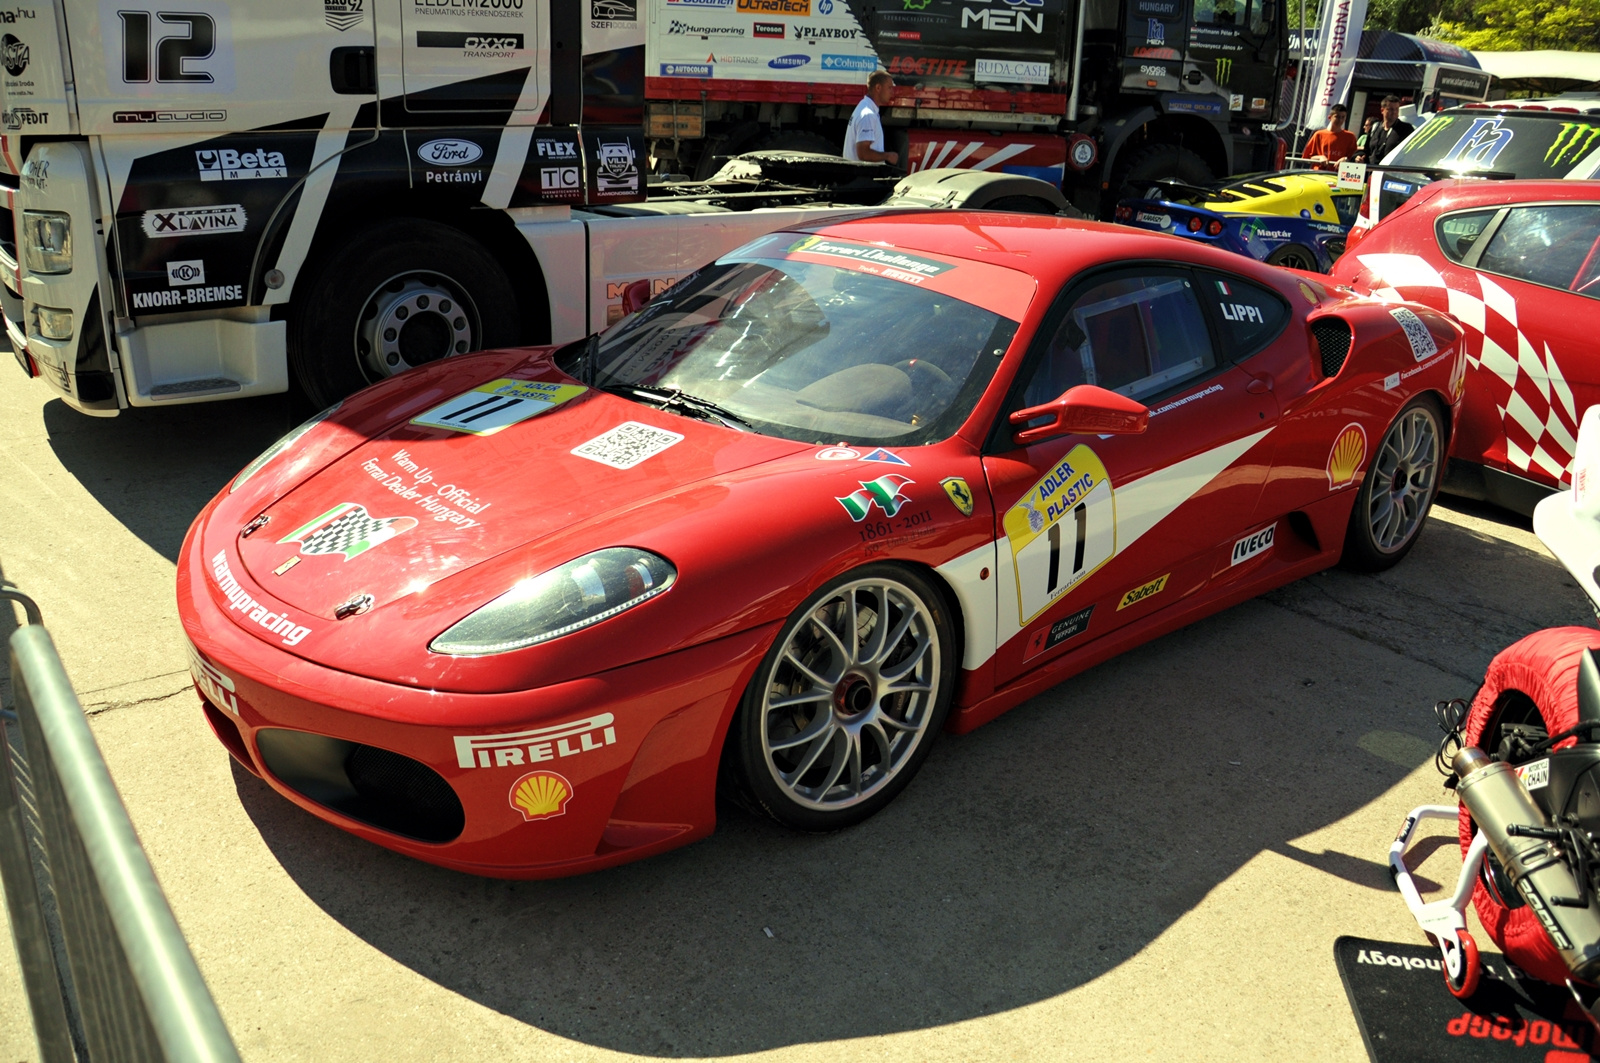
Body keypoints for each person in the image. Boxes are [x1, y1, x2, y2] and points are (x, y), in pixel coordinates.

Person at [844, 71, 898, 165]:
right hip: (862, 176)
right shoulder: (868, 115)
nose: (892, 92)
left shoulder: (865, 108)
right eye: (889, 88)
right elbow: (863, 154)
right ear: (878, 88)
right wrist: (888, 156)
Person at [1362, 95, 1415, 164]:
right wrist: (1359, 157)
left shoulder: (1406, 129)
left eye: (1397, 109)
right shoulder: (1375, 127)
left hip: (1391, 172)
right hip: (1372, 171)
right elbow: (1366, 150)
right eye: (1391, 109)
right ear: (1382, 110)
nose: (1394, 112)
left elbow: (1411, 153)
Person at [1303, 104, 1357, 171]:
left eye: (1343, 117)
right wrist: (1320, 157)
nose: (1340, 120)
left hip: (1339, 175)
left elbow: (1354, 158)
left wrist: (1346, 159)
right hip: (1319, 173)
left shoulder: (1350, 137)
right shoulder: (1318, 134)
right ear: (1329, 117)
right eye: (1337, 117)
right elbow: (1307, 157)